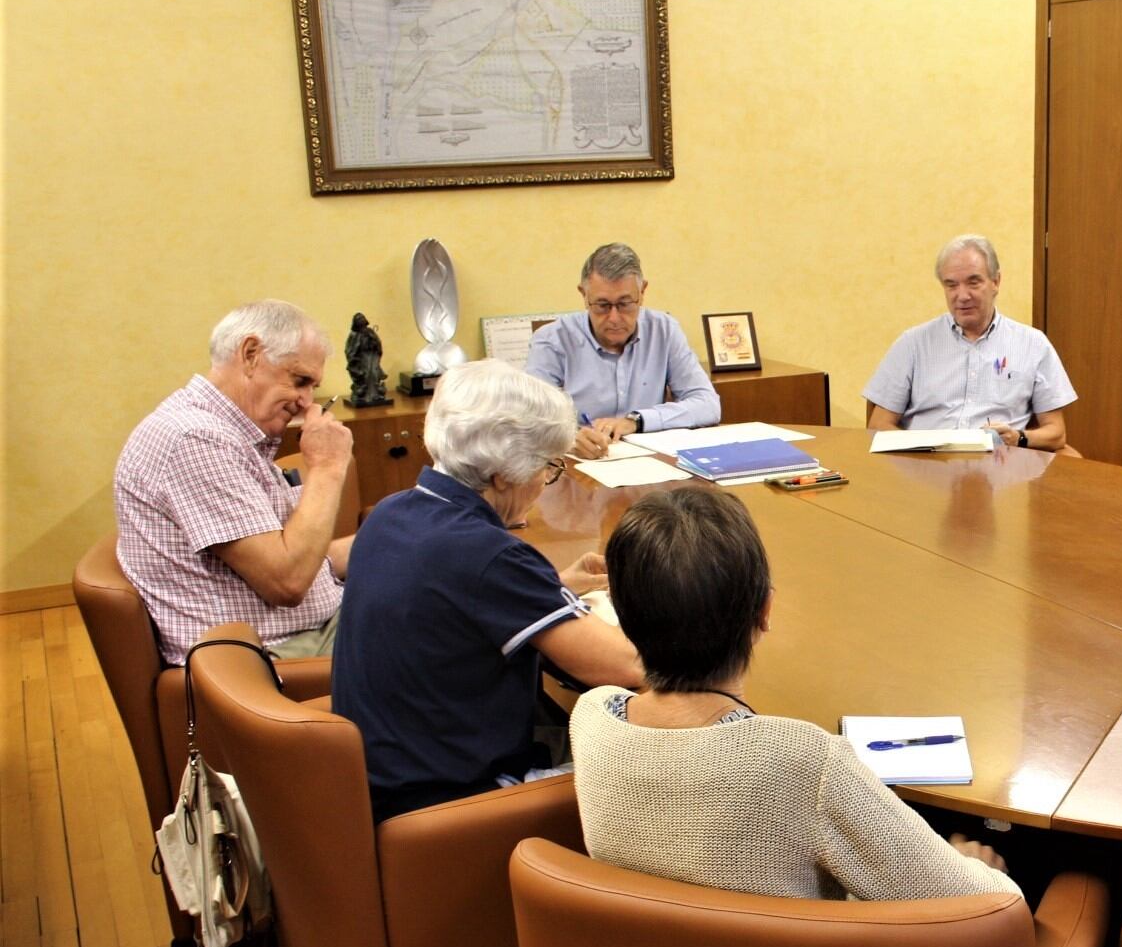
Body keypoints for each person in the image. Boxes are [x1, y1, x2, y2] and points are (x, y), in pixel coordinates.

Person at [569, 484, 1018, 901]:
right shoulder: (803, 763)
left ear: (622, 619)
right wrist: (972, 865)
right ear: (765, 610)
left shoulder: (590, 720)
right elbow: (983, 904)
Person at [334, 360, 643, 822]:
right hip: (456, 803)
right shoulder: (488, 556)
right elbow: (625, 666)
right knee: (659, 776)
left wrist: (550, 587)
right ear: (502, 474)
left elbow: (450, 599)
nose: (544, 479)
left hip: (384, 782)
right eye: (546, 466)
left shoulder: (391, 513)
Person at [114, 300, 353, 663]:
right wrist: (327, 468)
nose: (307, 403)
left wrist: (389, 539)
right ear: (251, 354)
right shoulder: (195, 440)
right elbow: (287, 581)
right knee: (447, 626)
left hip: (303, 630)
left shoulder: (226, 434)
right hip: (269, 656)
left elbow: (297, 556)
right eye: (300, 381)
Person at [864, 234, 1077, 452]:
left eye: (973, 282)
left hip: (1000, 469)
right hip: (925, 466)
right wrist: (921, 449)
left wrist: (1018, 437)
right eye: (951, 285)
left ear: (996, 282)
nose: (962, 295)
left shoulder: (1033, 345)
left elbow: (1056, 432)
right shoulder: (913, 343)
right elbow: (878, 425)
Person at [525, 242, 721, 459]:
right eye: (602, 305)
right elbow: (529, 419)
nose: (615, 318)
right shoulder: (553, 340)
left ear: (643, 291)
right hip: (578, 465)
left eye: (625, 303)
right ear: (584, 295)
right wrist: (569, 438)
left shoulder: (664, 329)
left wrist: (636, 421)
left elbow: (708, 404)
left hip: (649, 463)